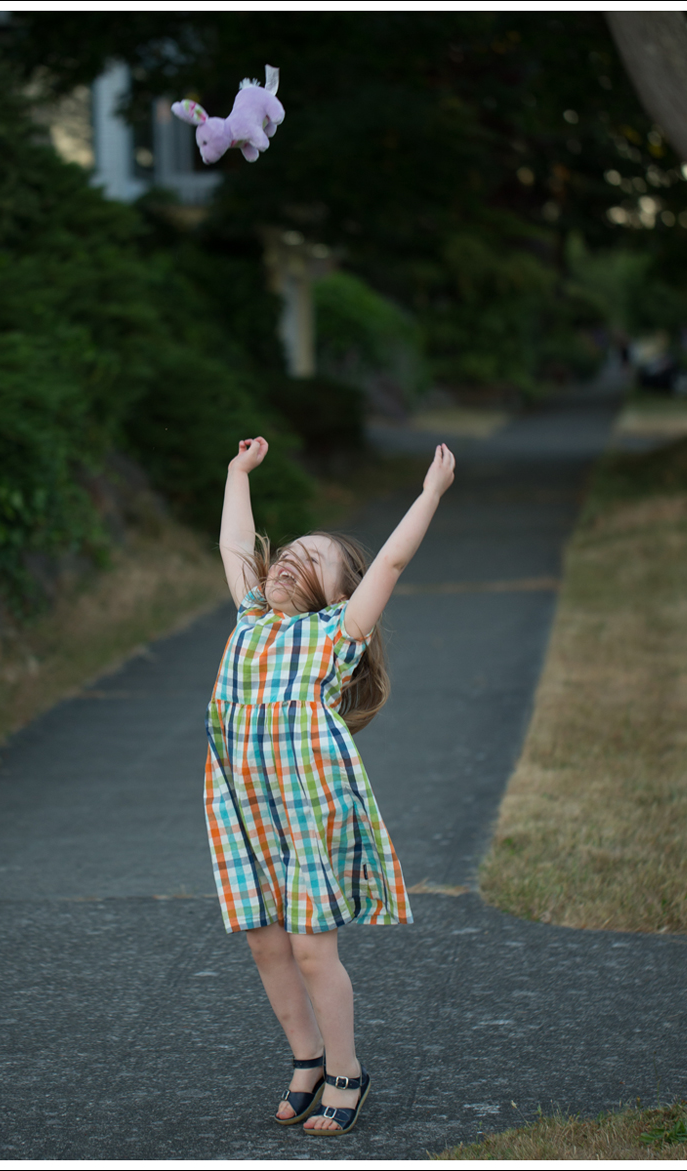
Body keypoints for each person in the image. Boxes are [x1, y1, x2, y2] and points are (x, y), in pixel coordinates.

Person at [204, 435, 456, 1135]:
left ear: (342, 591)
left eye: (311, 559)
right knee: (263, 938)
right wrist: (237, 475)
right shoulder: (251, 617)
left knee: (313, 946)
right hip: (242, 809)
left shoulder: (335, 632)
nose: (288, 557)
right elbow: (233, 545)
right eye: (289, 550)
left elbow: (396, 559)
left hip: (310, 810)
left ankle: (346, 1069)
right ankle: (306, 1058)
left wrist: (429, 493)